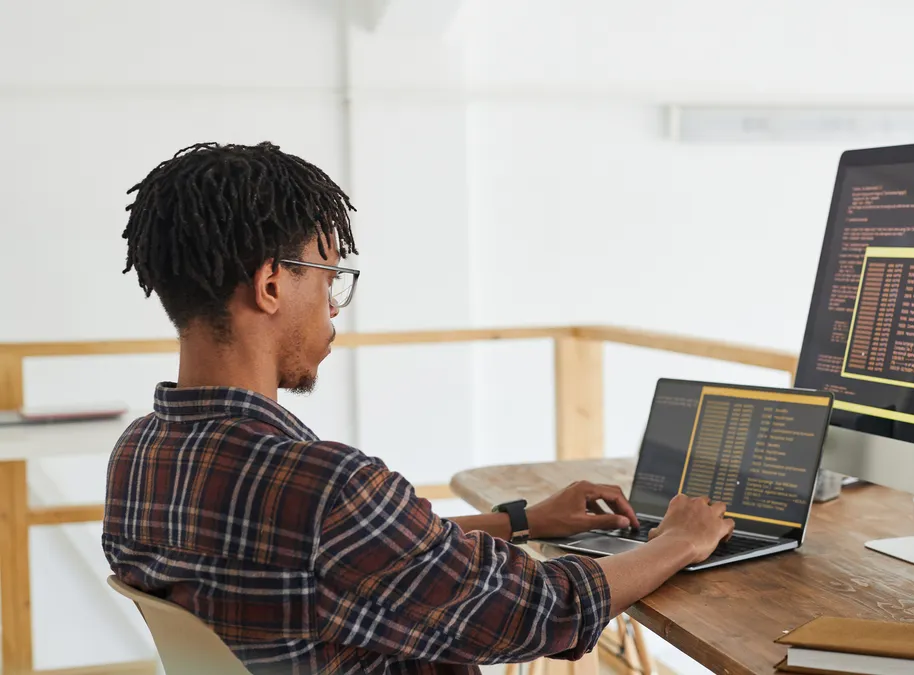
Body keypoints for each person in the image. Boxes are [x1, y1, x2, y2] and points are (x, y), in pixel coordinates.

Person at [103, 141, 735, 674]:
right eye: (328, 280)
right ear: (271, 285)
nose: (332, 308)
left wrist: (522, 520)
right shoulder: (327, 487)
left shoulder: (138, 455)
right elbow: (543, 610)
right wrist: (679, 541)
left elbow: (334, 563)